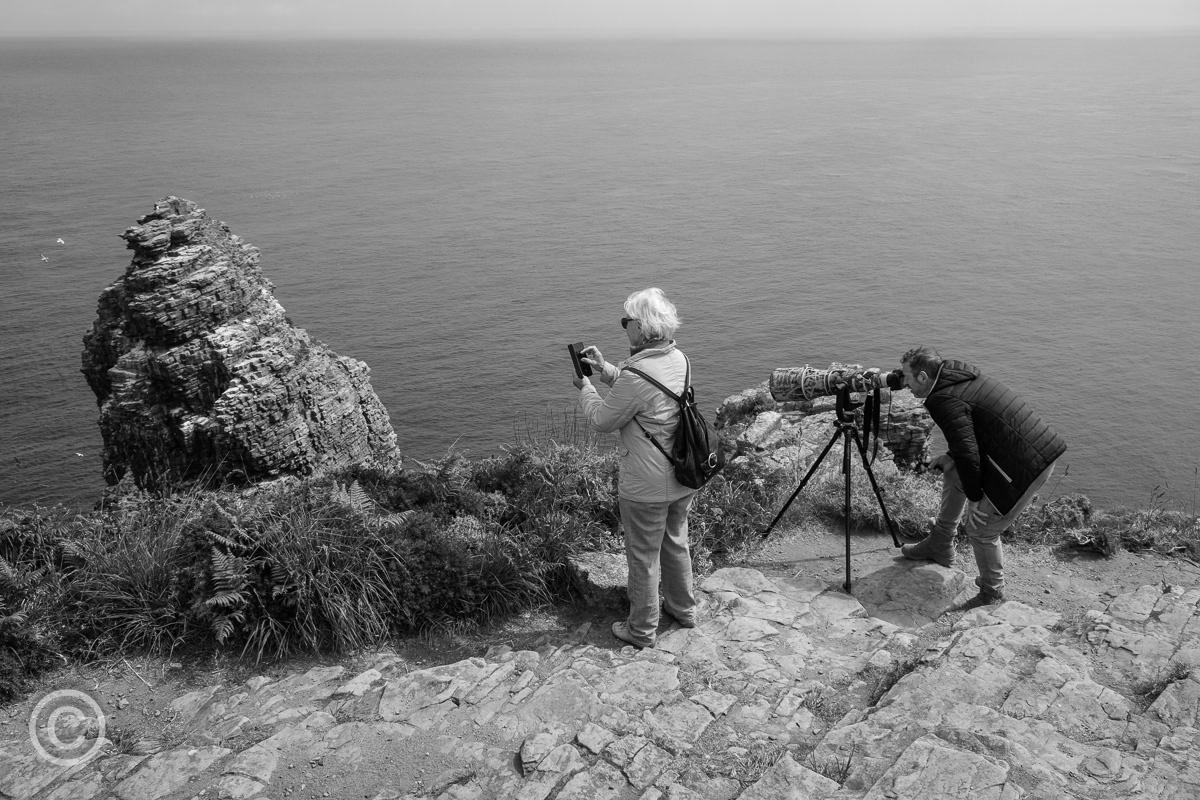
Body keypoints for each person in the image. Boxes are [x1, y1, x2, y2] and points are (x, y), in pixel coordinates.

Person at [572, 287, 698, 648]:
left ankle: (642, 630)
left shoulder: (636, 375)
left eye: (626, 321)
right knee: (675, 543)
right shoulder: (680, 359)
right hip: (682, 474)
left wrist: (585, 387)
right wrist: (605, 368)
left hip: (645, 485)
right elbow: (650, 393)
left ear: (641, 329)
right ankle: (683, 610)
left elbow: (602, 420)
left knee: (643, 556)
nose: (623, 326)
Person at [897, 346, 1067, 605]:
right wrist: (951, 456)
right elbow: (970, 432)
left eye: (907, 377)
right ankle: (940, 543)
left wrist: (975, 499)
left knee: (981, 527)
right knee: (954, 470)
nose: (904, 383)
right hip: (1023, 453)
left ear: (922, 377)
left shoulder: (942, 399)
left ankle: (992, 592)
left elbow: (969, 452)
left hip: (1027, 465)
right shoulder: (957, 378)